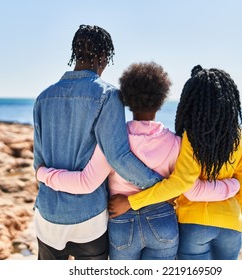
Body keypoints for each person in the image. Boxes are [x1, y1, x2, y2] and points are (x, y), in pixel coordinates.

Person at [35, 62, 241, 260]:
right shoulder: (176, 142)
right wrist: (233, 186)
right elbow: (181, 184)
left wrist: (43, 173)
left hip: (122, 221)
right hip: (163, 220)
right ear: (161, 101)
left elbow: (93, 176)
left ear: (127, 100)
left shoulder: (115, 138)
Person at [32, 25, 163, 260]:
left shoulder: (43, 98)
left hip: (48, 213)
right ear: (104, 56)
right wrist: (157, 183)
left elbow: (39, 164)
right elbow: (118, 156)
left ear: (75, 52)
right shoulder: (108, 95)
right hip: (88, 215)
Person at [108, 65, 242, 260]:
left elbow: (184, 185)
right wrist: (237, 208)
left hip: (194, 225)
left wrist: (132, 201)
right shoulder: (239, 138)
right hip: (232, 225)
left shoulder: (190, 138)